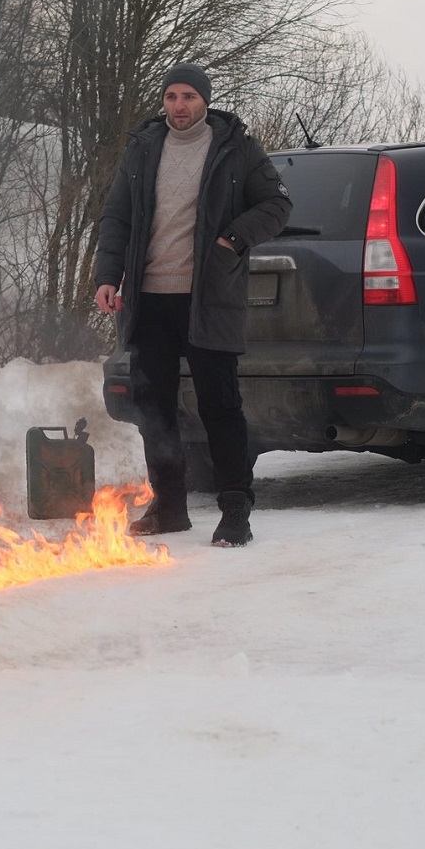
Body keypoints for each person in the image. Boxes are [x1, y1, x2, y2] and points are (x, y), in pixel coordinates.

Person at [93, 63, 292, 547]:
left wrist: (233, 237)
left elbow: (277, 205)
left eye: (188, 97)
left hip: (209, 300)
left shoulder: (236, 148)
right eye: (171, 97)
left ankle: (235, 510)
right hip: (149, 301)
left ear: (205, 101)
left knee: (219, 405)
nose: (179, 106)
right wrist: (106, 277)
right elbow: (117, 216)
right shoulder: (143, 149)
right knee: (153, 410)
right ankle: (170, 506)